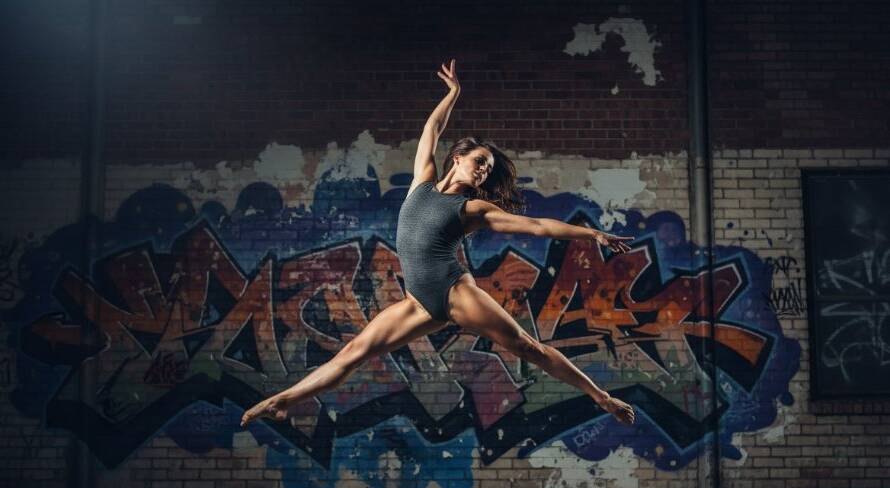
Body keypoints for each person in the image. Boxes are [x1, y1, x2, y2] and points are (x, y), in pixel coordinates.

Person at [241, 59, 636, 428]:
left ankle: (601, 397)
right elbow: (431, 131)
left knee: (527, 347)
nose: (483, 170)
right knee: (353, 353)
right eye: (480, 161)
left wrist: (593, 234)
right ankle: (285, 400)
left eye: (488, 169)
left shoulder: (473, 207)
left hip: (452, 291)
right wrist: (452, 94)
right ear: (459, 157)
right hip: (417, 301)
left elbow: (533, 225)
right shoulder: (423, 181)